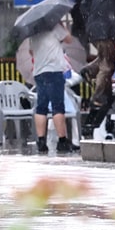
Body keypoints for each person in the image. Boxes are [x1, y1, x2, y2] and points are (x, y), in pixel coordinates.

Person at [80, 0, 115, 130]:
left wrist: (92, 24)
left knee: (111, 56)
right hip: (107, 30)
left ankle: (89, 70)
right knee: (107, 64)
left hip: (94, 30)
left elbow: (84, 8)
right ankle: (97, 98)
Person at [29, 19, 77, 155]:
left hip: (39, 72)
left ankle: (41, 142)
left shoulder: (34, 31)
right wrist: (64, 26)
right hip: (54, 71)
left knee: (41, 106)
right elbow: (69, 39)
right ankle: (62, 141)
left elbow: (31, 52)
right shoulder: (55, 26)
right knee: (57, 106)